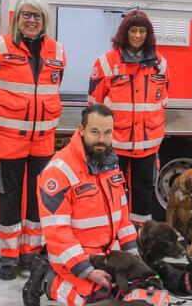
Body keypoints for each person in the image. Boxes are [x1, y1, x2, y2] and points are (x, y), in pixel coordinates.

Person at [23, 105, 168, 306]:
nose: (102, 139)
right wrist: (87, 271)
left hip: (110, 258)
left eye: (107, 132)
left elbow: (122, 220)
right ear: (81, 130)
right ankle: (48, 279)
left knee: (150, 295)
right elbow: (57, 233)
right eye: (95, 132)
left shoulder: (110, 164)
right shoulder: (58, 172)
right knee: (102, 300)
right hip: (73, 261)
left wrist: (134, 259)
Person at [0, 0, 66, 280]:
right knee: (9, 196)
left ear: (44, 21)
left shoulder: (57, 51)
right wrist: (0, 114)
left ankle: (31, 253)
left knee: (38, 198)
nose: (32, 20)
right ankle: (9, 256)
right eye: (26, 14)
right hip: (7, 138)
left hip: (42, 140)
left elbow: (53, 85)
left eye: (37, 16)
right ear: (17, 18)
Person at [88, 10, 169, 224]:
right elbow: (93, 106)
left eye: (142, 31)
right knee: (112, 190)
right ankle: (114, 234)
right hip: (115, 144)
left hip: (148, 145)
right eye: (133, 30)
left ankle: (140, 238)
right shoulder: (105, 62)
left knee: (144, 191)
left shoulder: (160, 64)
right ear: (125, 32)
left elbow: (162, 101)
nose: (137, 35)